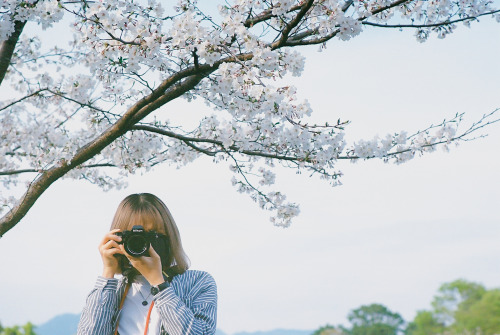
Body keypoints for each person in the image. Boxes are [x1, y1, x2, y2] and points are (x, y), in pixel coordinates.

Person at [77, 193, 217, 335]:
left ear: (169, 237)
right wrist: (108, 273)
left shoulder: (198, 282)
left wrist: (159, 284)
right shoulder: (113, 292)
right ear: (118, 238)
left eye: (151, 235)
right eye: (133, 237)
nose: (142, 244)